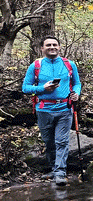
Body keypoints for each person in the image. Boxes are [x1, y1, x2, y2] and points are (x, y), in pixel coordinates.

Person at [22, 36, 81, 186]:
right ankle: (54, 169)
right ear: (41, 48)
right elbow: (25, 88)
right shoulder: (35, 65)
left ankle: (60, 172)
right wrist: (43, 88)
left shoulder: (69, 64)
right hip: (43, 109)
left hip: (64, 108)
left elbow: (77, 83)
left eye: (55, 44)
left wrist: (76, 93)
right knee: (49, 142)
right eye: (48, 45)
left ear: (59, 47)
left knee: (61, 141)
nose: (52, 47)